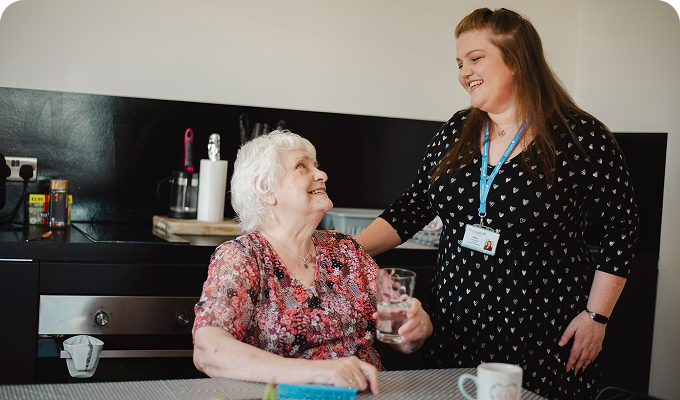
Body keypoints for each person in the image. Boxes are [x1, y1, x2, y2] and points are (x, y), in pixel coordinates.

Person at [356, 8, 639, 400]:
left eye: (475, 58)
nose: (463, 72)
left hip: (540, 333)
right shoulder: (458, 129)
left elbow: (622, 230)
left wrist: (596, 316)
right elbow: (414, 206)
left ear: (517, 60)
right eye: (458, 62)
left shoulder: (580, 137)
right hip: (453, 324)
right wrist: (339, 250)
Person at [192, 130, 433, 395]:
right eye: (302, 166)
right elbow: (208, 350)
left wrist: (417, 328)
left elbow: (401, 334)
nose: (322, 175)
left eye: (316, 166)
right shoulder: (242, 257)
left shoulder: (345, 249)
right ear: (266, 190)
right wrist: (316, 373)